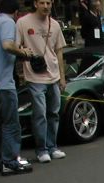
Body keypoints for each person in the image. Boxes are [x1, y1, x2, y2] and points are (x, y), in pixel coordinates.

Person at [0, 0, 33, 175]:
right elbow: (7, 45)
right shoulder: (8, 23)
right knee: (11, 123)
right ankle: (10, 161)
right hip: (3, 83)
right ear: (17, 13)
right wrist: (24, 53)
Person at [17, 0, 67, 163]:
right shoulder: (23, 23)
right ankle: (41, 149)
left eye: (48, 3)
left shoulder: (55, 25)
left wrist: (62, 77)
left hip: (53, 76)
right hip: (35, 76)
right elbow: (16, 47)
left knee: (53, 113)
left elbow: (59, 52)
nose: (46, 6)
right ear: (35, 4)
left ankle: (52, 147)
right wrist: (26, 54)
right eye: (42, 2)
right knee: (40, 114)